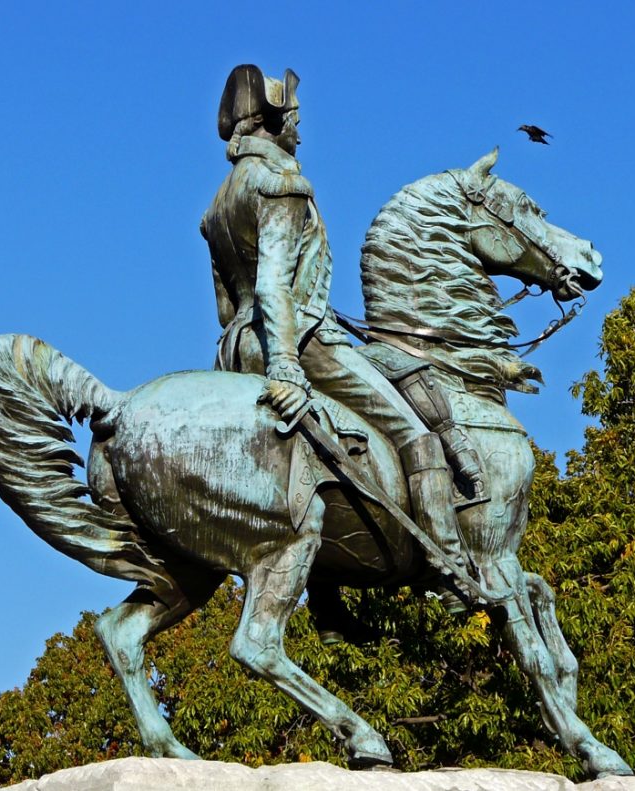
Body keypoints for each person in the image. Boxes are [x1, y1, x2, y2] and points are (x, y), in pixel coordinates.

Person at [200, 64, 472, 619]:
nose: (301, 130)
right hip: (296, 343)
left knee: (324, 452)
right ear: (275, 124)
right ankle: (451, 572)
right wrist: (285, 367)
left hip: (234, 348)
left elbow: (228, 305)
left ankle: (325, 601)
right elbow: (274, 285)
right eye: (295, 118)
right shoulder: (282, 184)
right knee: (416, 437)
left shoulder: (217, 207)